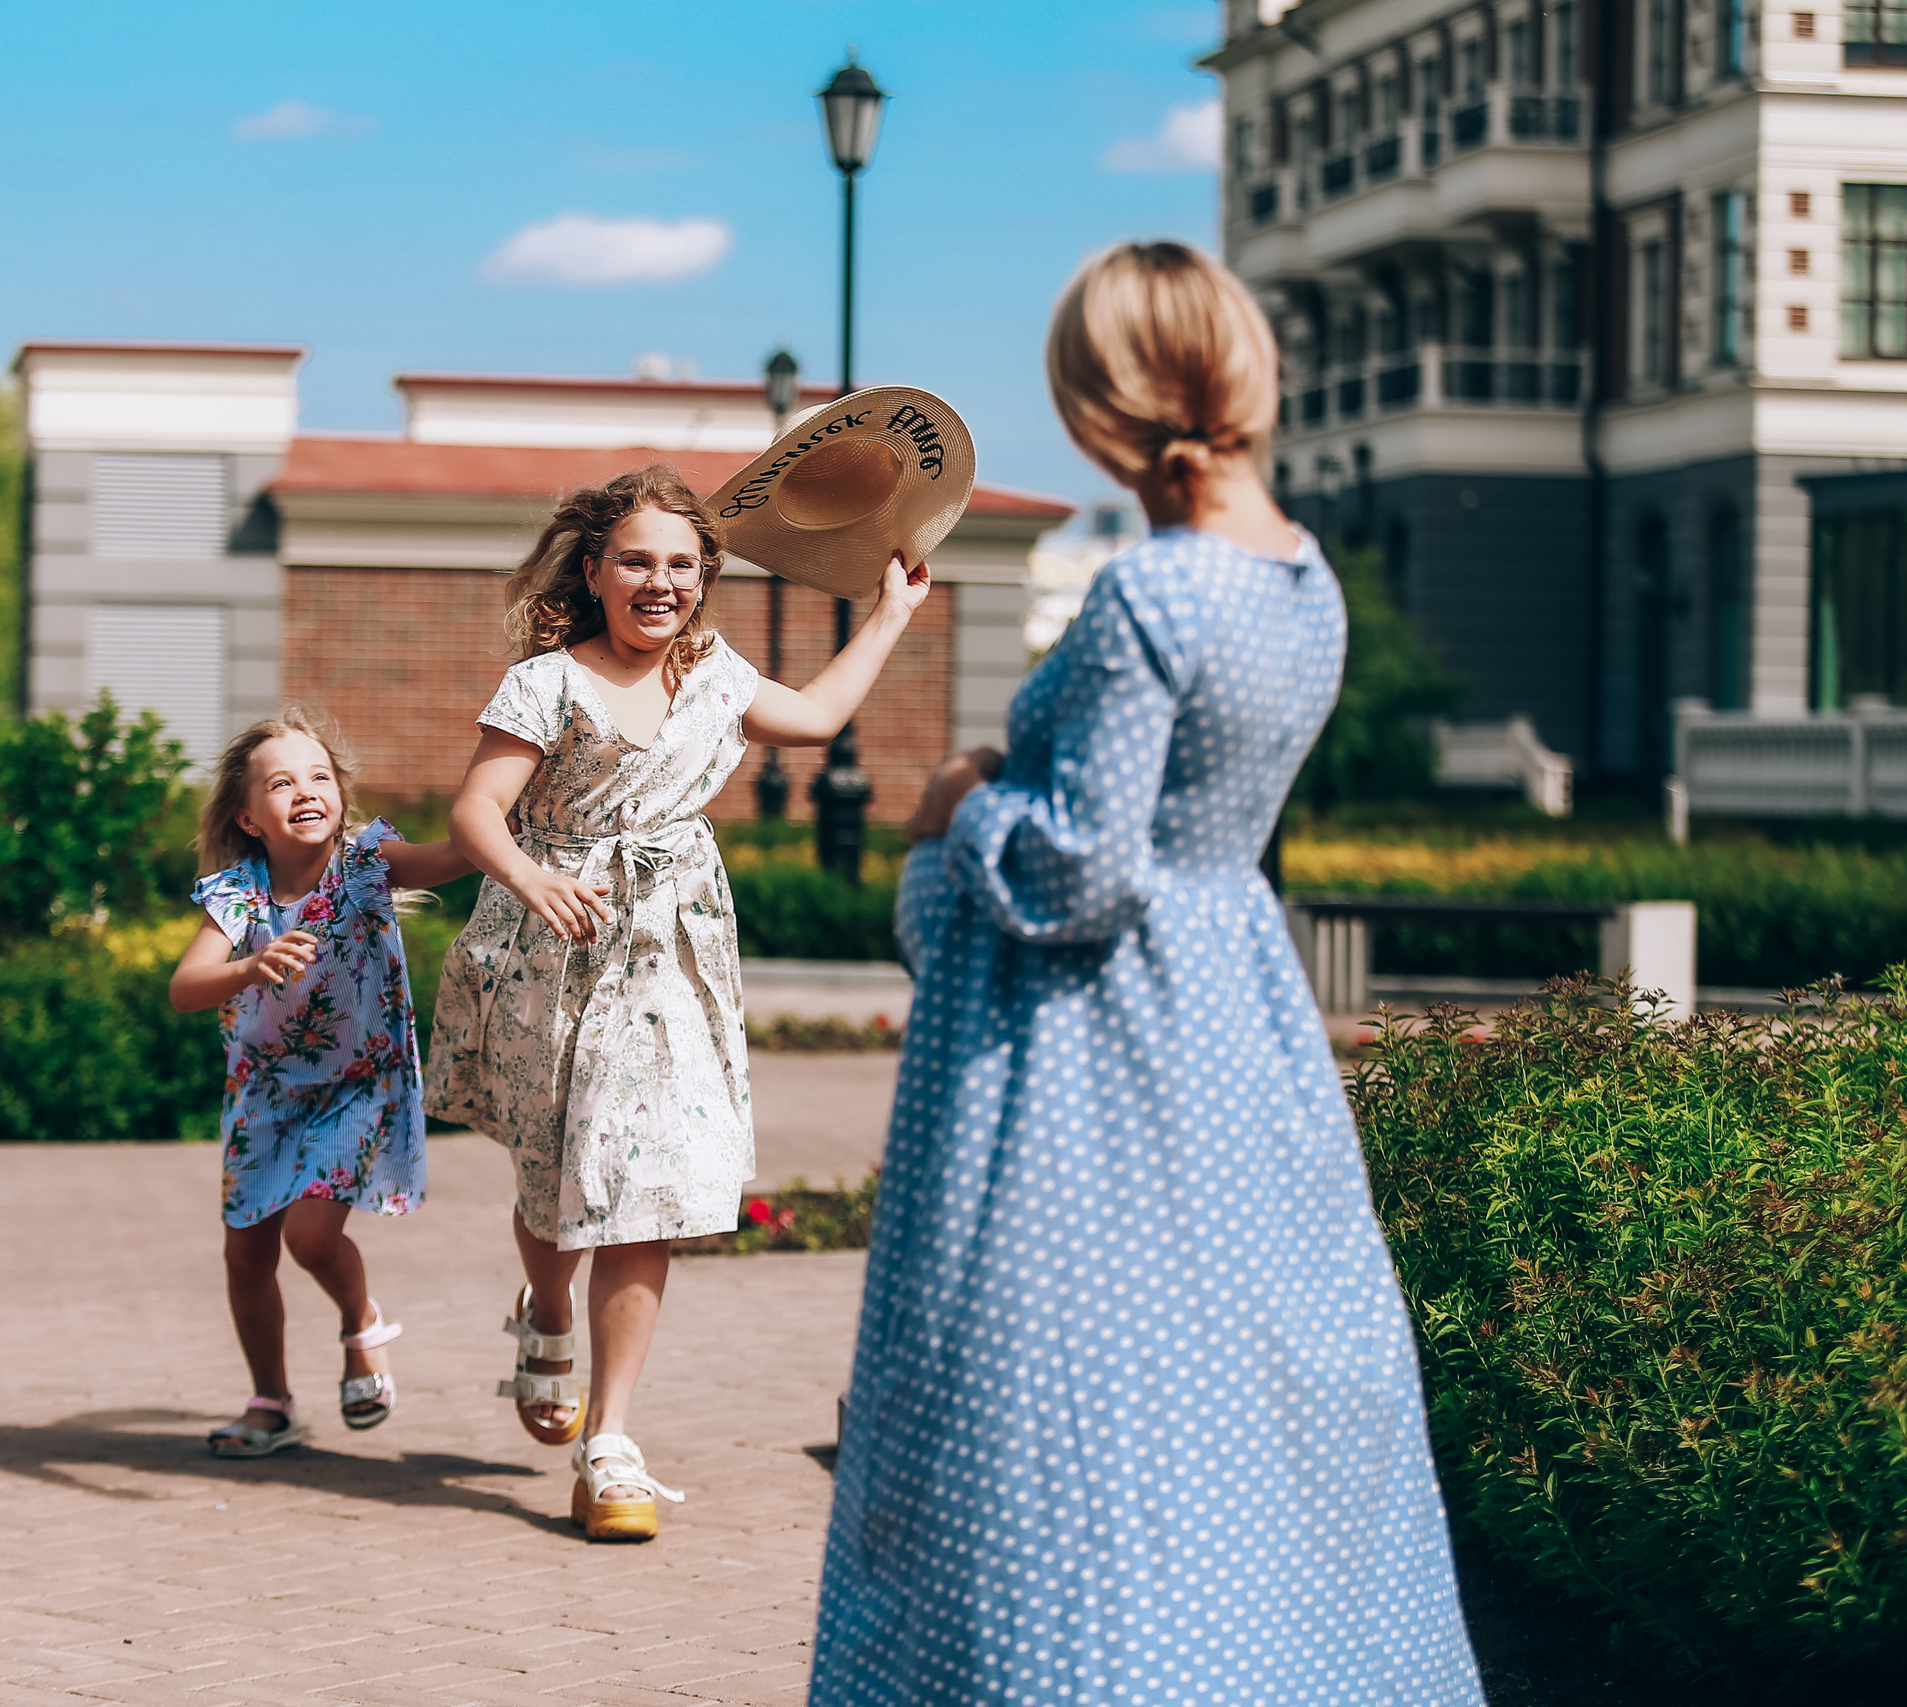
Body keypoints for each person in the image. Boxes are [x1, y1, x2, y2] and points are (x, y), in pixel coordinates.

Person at [811, 243, 1484, 1702]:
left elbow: (1079, 873)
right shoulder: (1304, 581)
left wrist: (962, 798)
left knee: (1050, 1413)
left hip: (1085, 1057)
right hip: (1234, 1012)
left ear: (1105, 400)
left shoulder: (1150, 596)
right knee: (1225, 1399)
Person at [427, 463, 930, 1541]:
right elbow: (475, 811)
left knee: (645, 1183)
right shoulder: (545, 684)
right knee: (553, 1174)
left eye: (682, 565)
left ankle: (611, 1442)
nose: (660, 583)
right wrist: (531, 877)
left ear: (705, 576)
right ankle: (545, 1314)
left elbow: (818, 713)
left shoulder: (714, 672)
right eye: (638, 562)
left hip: (670, 957)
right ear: (597, 570)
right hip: (553, 947)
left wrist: (889, 612)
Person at [169, 708, 470, 1458]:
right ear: (248, 816)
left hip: (354, 1085)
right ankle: (270, 1401)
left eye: (318, 775)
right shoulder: (238, 893)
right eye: (281, 782)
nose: (305, 789)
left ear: (339, 792)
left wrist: (503, 803)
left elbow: (459, 853)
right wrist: (245, 965)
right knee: (246, 1256)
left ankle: (360, 1320)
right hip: (263, 1091)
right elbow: (185, 987)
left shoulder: (369, 861)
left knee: (309, 1235)